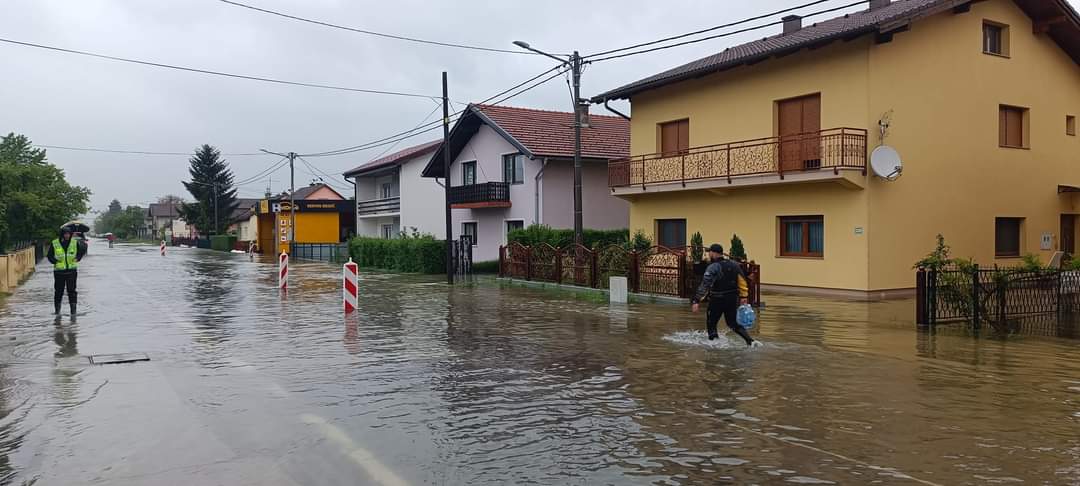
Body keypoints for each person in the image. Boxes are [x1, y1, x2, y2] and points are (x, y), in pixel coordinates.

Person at [691, 243, 758, 347]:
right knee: (732, 324)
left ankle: (714, 347)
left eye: (710, 253)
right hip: (732, 299)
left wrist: (696, 300)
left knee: (711, 323)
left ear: (713, 253)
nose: (709, 255)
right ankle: (750, 341)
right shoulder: (734, 265)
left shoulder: (713, 267)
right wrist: (744, 296)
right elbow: (742, 281)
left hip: (717, 299)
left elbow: (705, 284)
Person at [46, 226, 86, 315]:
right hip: (59, 272)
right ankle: (57, 312)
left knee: (72, 291)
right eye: (65, 234)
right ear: (62, 234)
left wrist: (78, 258)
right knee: (58, 291)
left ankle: (73, 312)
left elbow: (81, 252)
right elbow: (49, 255)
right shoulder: (55, 243)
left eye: (68, 234)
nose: (67, 235)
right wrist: (55, 262)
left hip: (71, 271)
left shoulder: (74, 242)